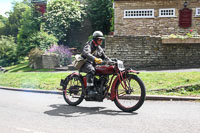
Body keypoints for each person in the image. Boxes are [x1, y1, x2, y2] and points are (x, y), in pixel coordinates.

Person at [80, 31, 111, 97]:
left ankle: (101, 88)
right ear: (95, 39)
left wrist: (111, 61)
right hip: (85, 63)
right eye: (99, 39)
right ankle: (90, 89)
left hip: (93, 64)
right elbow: (86, 53)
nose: (101, 41)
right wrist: (95, 59)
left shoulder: (99, 48)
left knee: (105, 71)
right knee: (91, 70)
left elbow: (105, 57)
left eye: (101, 39)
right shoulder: (89, 45)